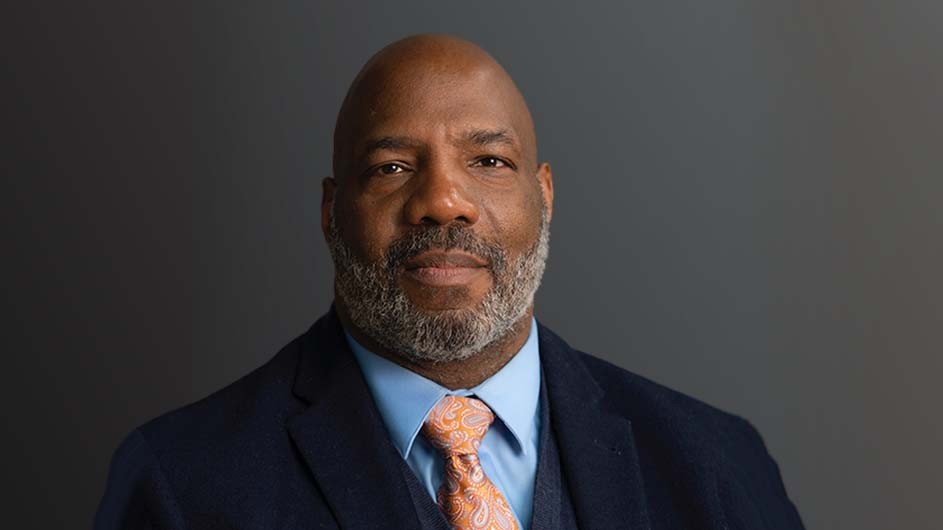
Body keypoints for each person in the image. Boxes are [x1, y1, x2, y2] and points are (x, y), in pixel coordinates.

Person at [95, 34, 804, 530]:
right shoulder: (184, 482)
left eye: (489, 162)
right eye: (392, 167)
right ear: (329, 212)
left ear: (544, 197)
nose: (443, 201)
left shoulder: (714, 463)